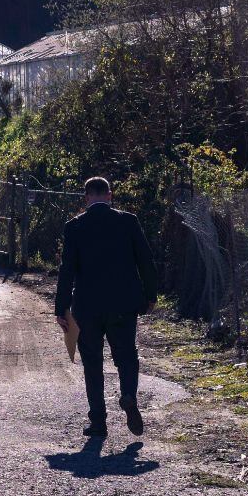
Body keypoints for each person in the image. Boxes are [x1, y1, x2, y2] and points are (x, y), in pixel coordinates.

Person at [54, 176, 160, 439]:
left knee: (92, 363)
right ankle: (128, 395)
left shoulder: (74, 227)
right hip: (123, 303)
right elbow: (146, 260)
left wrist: (61, 307)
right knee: (126, 356)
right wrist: (150, 295)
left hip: (87, 306)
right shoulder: (128, 221)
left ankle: (98, 421)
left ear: (86, 197)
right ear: (110, 195)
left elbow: (67, 270)